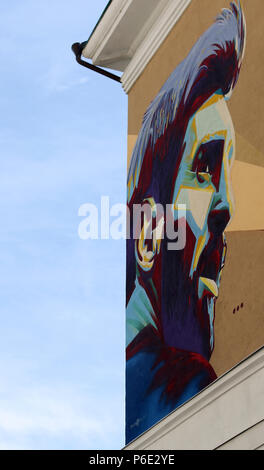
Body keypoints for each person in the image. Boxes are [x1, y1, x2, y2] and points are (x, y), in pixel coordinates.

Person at [125, 1, 246, 443]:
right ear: (148, 237)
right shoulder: (185, 385)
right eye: (205, 167)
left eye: (227, 174)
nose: (226, 206)